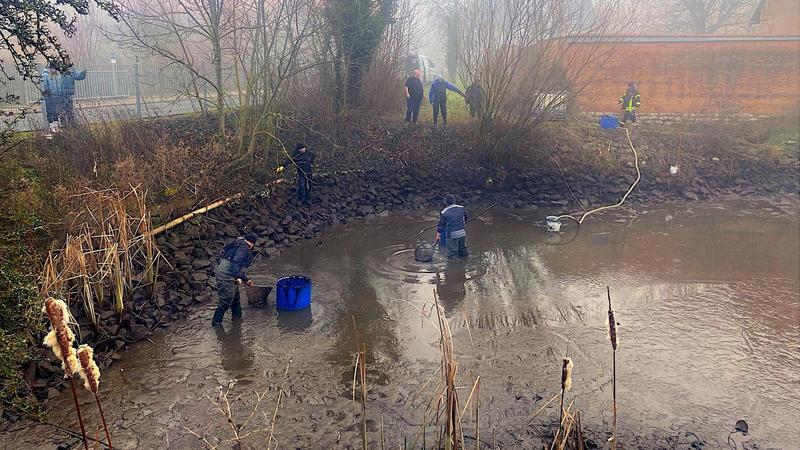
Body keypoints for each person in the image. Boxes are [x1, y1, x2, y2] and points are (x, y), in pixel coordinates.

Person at [212, 232, 257, 327]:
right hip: (226, 275)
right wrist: (238, 277)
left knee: (236, 299)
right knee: (225, 301)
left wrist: (245, 279)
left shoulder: (239, 244)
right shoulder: (244, 248)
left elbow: (236, 265)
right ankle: (216, 325)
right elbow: (236, 262)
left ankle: (237, 320)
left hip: (229, 272)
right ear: (252, 243)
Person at [436, 194, 469, 259]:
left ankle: (453, 268)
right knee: (463, 252)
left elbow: (441, 226)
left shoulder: (444, 212)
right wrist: (462, 223)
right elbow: (466, 217)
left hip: (452, 235)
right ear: (454, 200)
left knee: (452, 254)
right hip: (462, 233)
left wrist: (438, 235)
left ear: (445, 202)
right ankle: (463, 265)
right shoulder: (462, 208)